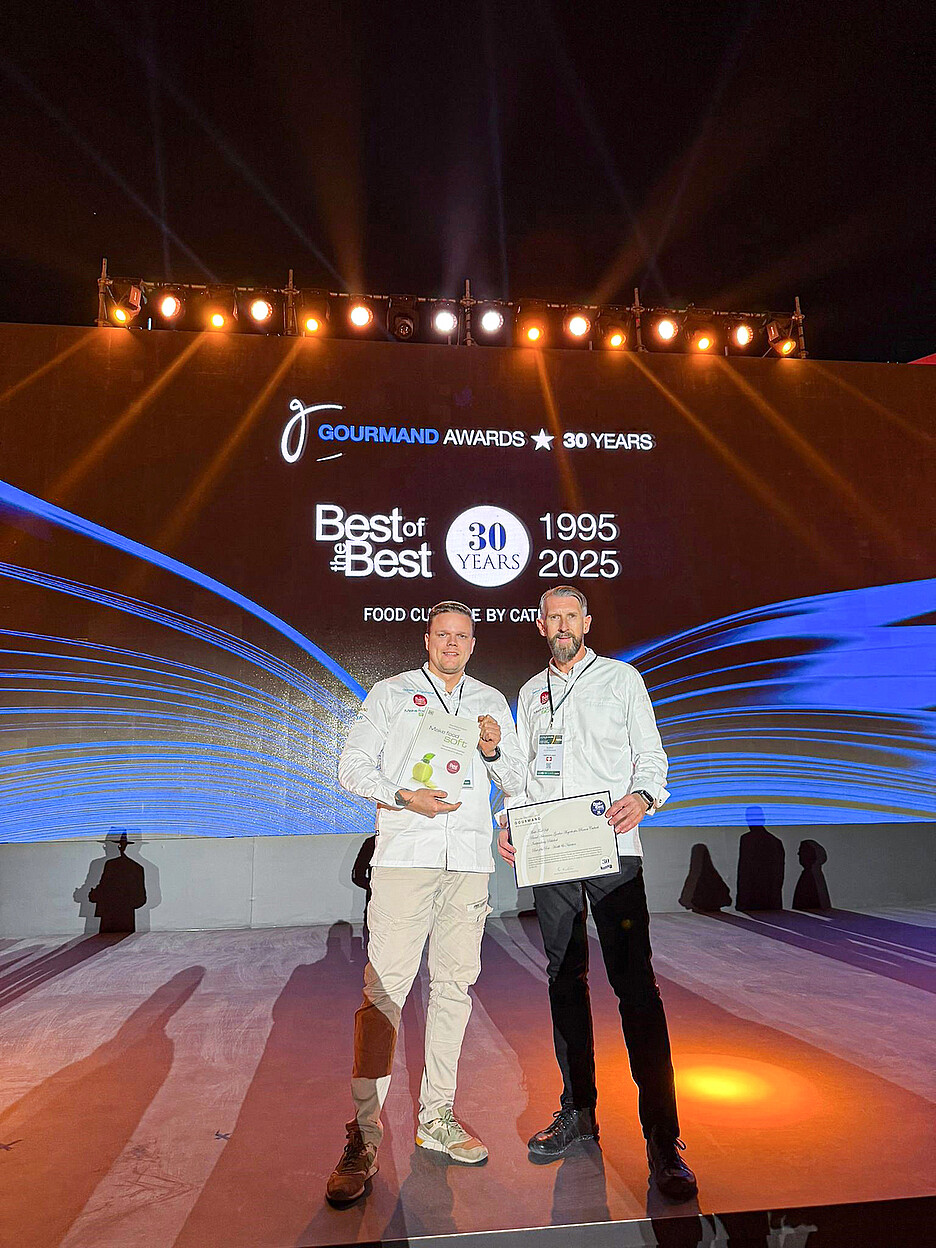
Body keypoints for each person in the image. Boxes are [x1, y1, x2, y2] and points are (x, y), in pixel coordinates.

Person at [498, 586, 697, 1201]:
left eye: (571, 616)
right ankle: (579, 1111)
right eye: (551, 618)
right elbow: (522, 774)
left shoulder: (621, 679)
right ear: (540, 626)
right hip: (553, 853)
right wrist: (510, 820)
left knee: (635, 987)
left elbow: (652, 758)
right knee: (564, 979)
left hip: (612, 849)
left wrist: (645, 796)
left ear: (586, 622)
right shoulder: (529, 694)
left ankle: (663, 1140)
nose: (562, 625)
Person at [326, 601, 524, 1205]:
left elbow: (517, 781)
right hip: (406, 857)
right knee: (385, 990)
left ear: (473, 643)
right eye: (443, 635)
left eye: (462, 636)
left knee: (454, 989)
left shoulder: (491, 701)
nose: (452, 644)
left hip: (467, 864)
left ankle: (437, 1117)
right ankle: (363, 1135)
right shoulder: (390, 694)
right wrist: (402, 795)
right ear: (427, 639)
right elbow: (351, 767)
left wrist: (493, 751)